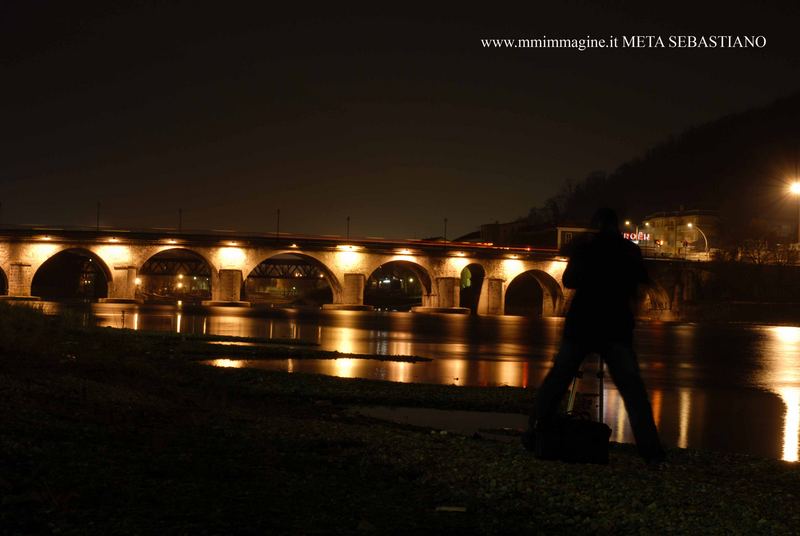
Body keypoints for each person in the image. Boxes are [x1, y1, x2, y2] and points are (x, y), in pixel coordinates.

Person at [525, 208, 666, 465]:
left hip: (583, 323)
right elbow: (642, 279)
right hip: (616, 326)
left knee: (557, 381)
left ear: (597, 226)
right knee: (633, 390)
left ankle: (533, 433)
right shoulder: (629, 251)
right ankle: (651, 451)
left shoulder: (586, 249)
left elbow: (568, 280)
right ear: (618, 227)